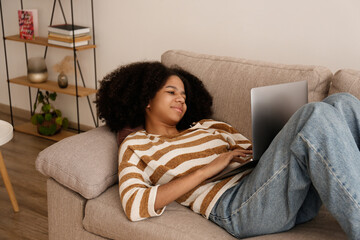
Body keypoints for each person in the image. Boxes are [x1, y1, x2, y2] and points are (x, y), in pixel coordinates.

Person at [96, 61, 360, 239]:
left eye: (184, 95)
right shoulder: (137, 145)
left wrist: (275, 140)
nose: (181, 99)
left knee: (343, 101)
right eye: (171, 92)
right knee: (314, 114)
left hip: (274, 192)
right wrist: (209, 169)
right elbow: (134, 205)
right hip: (237, 207)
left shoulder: (209, 126)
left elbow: (256, 155)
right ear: (146, 99)